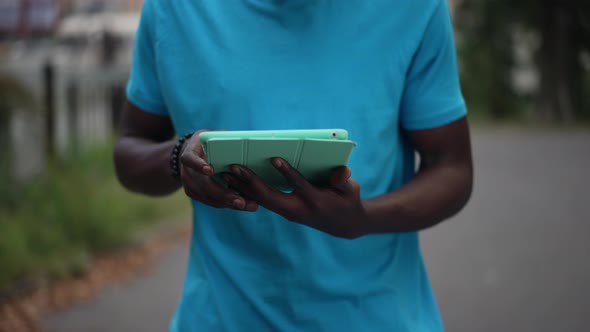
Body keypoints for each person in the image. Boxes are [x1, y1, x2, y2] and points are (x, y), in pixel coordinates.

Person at [114, 0, 473, 331]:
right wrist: (177, 157)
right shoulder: (173, 9)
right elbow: (130, 150)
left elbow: (452, 166)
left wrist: (364, 218)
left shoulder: (413, 8)